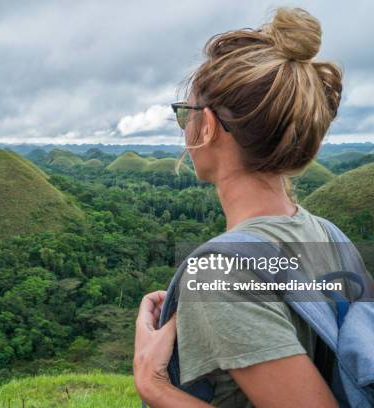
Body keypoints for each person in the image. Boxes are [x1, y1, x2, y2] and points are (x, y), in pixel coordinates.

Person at [134, 7, 347, 408]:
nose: (184, 128)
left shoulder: (223, 274)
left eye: (185, 114)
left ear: (208, 125)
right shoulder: (326, 234)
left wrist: (153, 384)